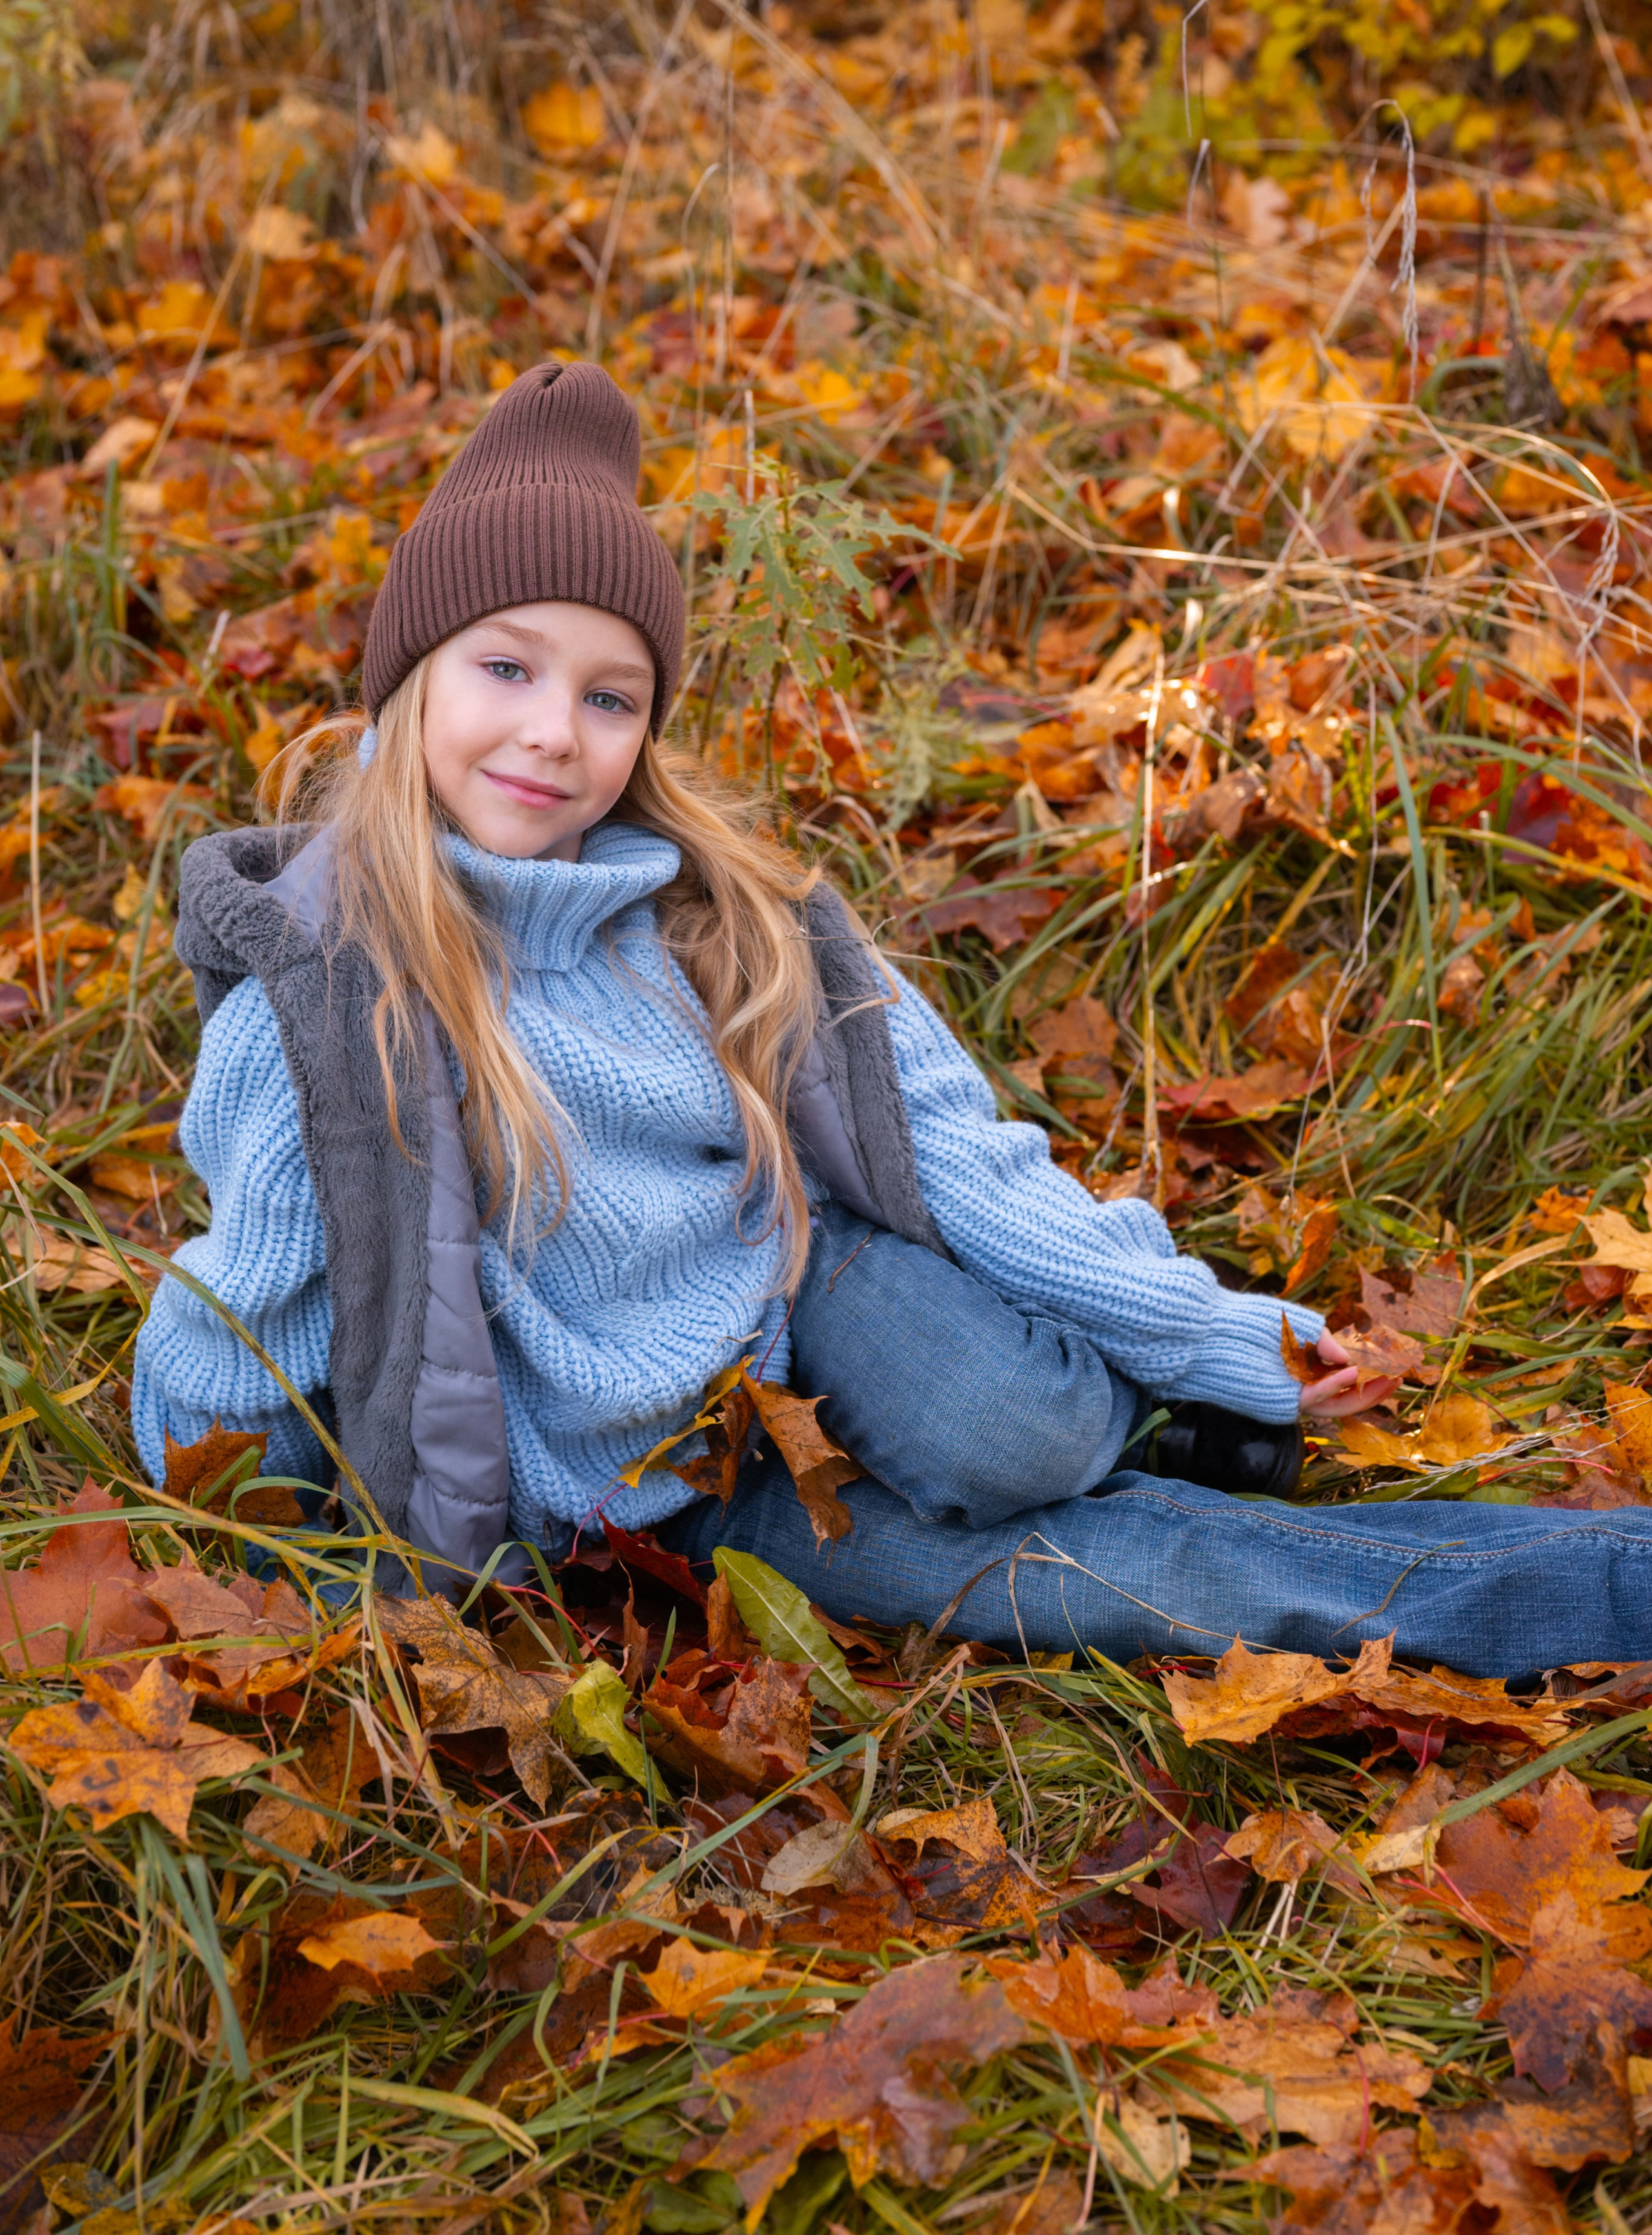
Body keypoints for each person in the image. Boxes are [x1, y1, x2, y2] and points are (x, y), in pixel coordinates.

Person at [134, 363, 1652, 1677]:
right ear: (408, 678)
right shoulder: (329, 997)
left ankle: (1128, 1396)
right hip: (686, 1490)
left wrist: (1219, 1335)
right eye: (507, 667)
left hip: (803, 1286)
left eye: (611, 696)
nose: (552, 730)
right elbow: (245, 1311)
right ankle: (1591, 1587)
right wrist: (263, 1570)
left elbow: (961, 1154)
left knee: (1021, 1433)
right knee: (1102, 1580)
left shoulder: (729, 918)